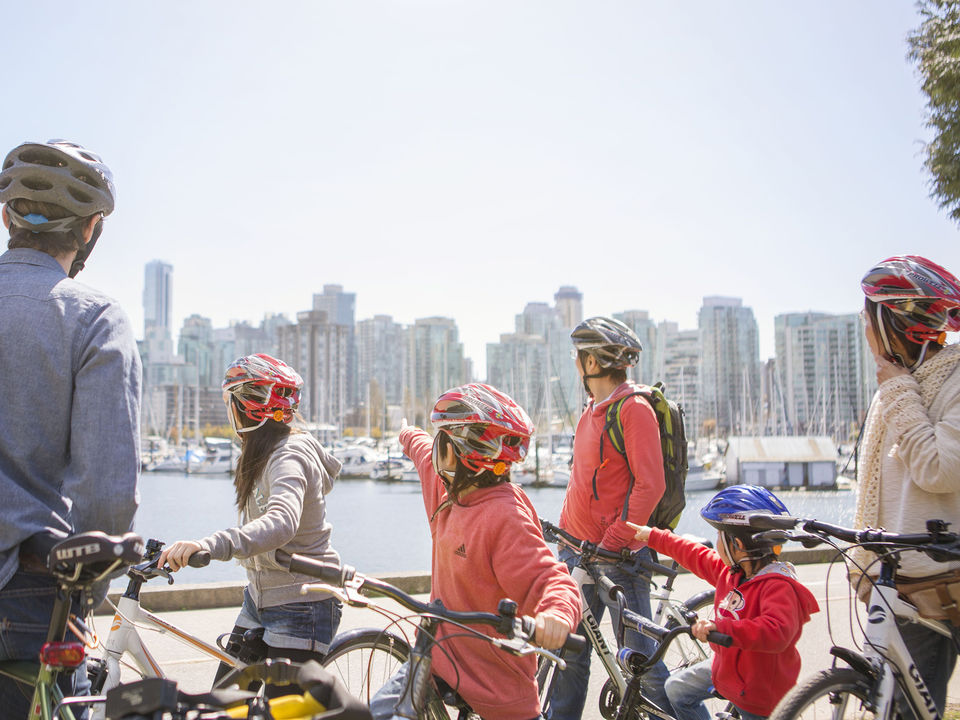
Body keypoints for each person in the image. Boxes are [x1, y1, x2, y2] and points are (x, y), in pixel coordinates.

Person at [0, 139, 141, 717]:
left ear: (6, 216)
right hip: (34, 598)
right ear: (90, 231)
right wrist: (84, 598)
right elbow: (107, 505)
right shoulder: (94, 320)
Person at [370, 383, 580, 720]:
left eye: (443, 440)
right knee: (380, 712)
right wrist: (407, 433)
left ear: (455, 452)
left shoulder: (504, 516)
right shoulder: (445, 489)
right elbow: (421, 448)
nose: (436, 447)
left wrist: (555, 615)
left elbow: (551, 578)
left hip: (494, 682)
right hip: (437, 657)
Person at [159, 354, 343, 695]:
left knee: (281, 713)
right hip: (259, 598)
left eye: (230, 401)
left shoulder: (288, 454)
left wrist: (210, 544)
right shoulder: (262, 452)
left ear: (244, 406)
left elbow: (281, 522)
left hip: (302, 602)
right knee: (225, 703)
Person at [548, 316, 674, 720]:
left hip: (619, 561)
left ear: (590, 363)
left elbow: (649, 486)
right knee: (568, 656)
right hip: (578, 555)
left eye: (578, 357)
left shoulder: (633, 409)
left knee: (643, 667)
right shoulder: (592, 410)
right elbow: (583, 483)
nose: (575, 364)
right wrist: (562, 539)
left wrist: (613, 541)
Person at [852, 255, 960, 716]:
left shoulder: (944, 380)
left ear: (895, 320)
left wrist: (899, 391)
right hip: (901, 583)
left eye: (868, 316)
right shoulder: (896, 384)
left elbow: (940, 469)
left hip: (944, 579)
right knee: (894, 708)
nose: (865, 327)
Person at [629, 485, 819, 720]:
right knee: (676, 689)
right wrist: (654, 536)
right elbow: (696, 555)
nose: (715, 544)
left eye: (720, 537)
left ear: (737, 545)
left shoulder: (778, 586)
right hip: (727, 672)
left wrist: (721, 628)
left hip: (760, 696)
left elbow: (777, 631)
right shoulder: (732, 572)